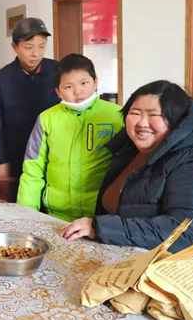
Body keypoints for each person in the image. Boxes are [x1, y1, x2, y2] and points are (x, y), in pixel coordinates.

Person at [61, 81, 193, 272]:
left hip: (179, 273)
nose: (142, 123)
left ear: (175, 119)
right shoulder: (131, 145)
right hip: (132, 260)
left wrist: (101, 227)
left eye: (153, 115)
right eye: (135, 113)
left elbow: (185, 231)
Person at [17, 54, 123, 221]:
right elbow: (32, 169)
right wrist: (25, 216)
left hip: (101, 216)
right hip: (57, 214)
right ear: (58, 92)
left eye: (84, 83)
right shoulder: (46, 119)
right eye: (68, 86)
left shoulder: (117, 116)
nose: (77, 91)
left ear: (95, 82)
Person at [0, 17, 60, 201]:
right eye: (29, 47)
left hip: (56, 155)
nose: (35, 53)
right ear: (15, 47)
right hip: (19, 157)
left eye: (41, 46)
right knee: (22, 206)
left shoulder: (58, 71)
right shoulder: (1, 80)